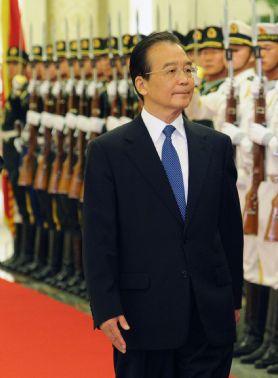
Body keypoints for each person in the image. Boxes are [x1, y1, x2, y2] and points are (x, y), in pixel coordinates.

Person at [82, 31, 243, 378]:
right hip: (142, 316)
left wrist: (233, 298)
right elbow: (99, 238)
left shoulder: (214, 145)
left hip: (208, 316)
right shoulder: (109, 151)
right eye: (170, 71)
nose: (185, 79)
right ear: (141, 84)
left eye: (188, 69)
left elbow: (229, 229)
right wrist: (105, 307)